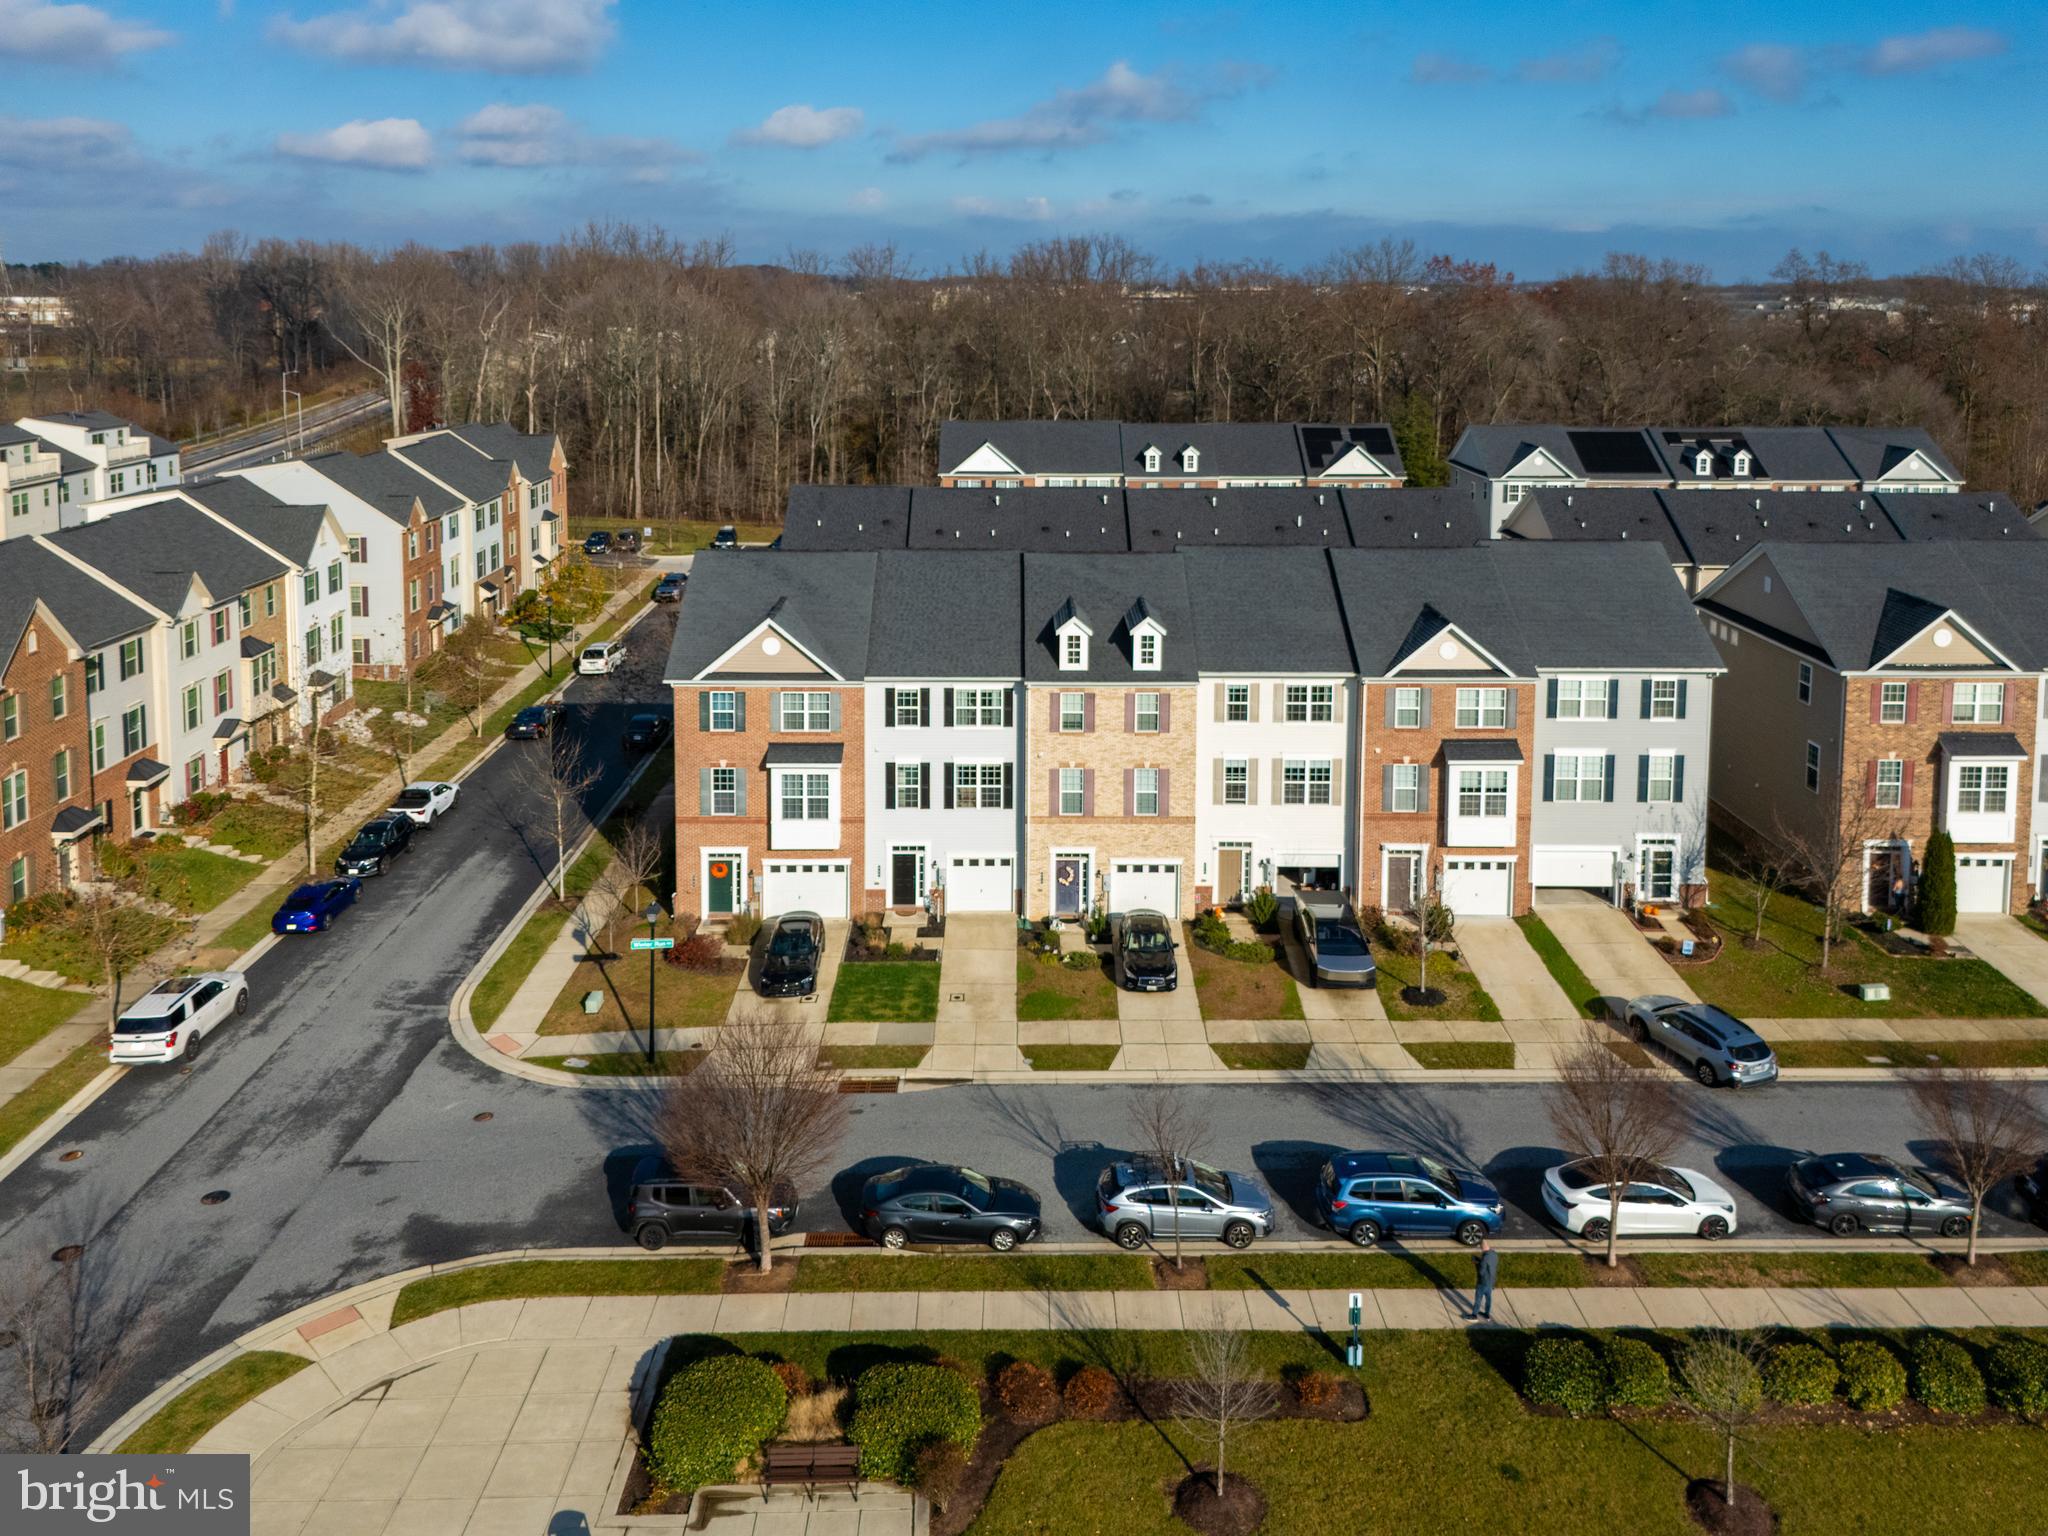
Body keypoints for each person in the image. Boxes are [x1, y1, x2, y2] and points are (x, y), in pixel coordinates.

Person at [1468, 1238, 1499, 1321]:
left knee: (1478, 1299)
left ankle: (1474, 1315)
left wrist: (1477, 1263)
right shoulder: (1494, 1254)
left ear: (1482, 1247)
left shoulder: (1484, 1258)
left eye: (1481, 1249)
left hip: (1482, 1283)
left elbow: (1481, 1272)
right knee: (1488, 1299)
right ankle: (1487, 1314)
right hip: (1491, 1281)